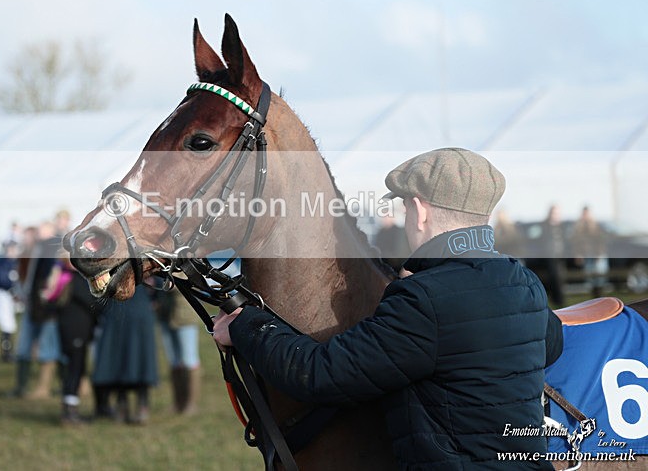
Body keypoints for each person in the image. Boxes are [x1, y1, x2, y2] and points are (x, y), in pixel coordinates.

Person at [214, 148, 564, 470]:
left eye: (405, 208)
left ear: (420, 210)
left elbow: (319, 374)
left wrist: (246, 325)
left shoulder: (423, 300)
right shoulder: (524, 284)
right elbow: (551, 344)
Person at [8, 221, 63, 399]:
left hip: (48, 306)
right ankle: (23, 386)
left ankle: (43, 388)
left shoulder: (53, 249)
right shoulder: (38, 249)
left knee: (47, 347)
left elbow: (53, 278)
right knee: (30, 346)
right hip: (37, 303)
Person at [92, 283, 158, 425]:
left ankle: (142, 405)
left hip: (139, 310)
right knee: (118, 358)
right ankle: (122, 403)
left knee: (140, 359)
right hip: (117, 311)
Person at [54, 255, 102, 425]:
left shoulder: (63, 278)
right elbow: (91, 303)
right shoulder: (76, 280)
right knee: (75, 368)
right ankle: (69, 410)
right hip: (76, 331)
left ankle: (70, 406)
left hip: (72, 330)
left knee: (75, 367)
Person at [151, 280, 202, 415]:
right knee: (174, 361)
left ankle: (191, 404)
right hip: (165, 314)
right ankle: (178, 403)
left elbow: (192, 282)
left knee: (189, 360)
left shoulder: (189, 259)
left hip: (185, 316)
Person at [570, 206, 609, 298]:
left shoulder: (596, 226)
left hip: (597, 255)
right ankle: (595, 299)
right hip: (587, 255)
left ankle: (601, 298)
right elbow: (576, 243)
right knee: (591, 280)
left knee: (600, 278)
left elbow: (601, 241)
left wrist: (599, 254)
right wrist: (578, 254)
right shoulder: (579, 228)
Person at [0, 241, 20, 362]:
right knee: (7, 324)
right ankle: (6, 354)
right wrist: (14, 288)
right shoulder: (2, 264)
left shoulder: (15, 263)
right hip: (3, 295)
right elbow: (4, 281)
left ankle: (8, 353)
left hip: (10, 296)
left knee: (10, 324)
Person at [539, 204, 567, 306]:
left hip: (560, 257)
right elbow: (542, 242)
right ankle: (558, 300)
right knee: (554, 276)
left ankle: (559, 300)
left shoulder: (562, 227)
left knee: (560, 277)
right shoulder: (545, 226)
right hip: (550, 257)